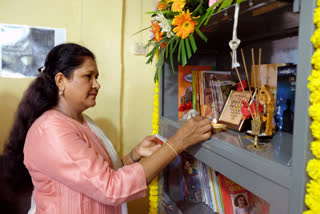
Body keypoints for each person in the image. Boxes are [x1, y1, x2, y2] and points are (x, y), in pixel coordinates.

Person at [3, 43, 213, 214]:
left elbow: (97, 174)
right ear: (61, 80)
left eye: (97, 77)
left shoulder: (82, 121)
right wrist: (179, 141)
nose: (97, 84)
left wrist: (134, 155)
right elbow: (112, 187)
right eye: (88, 76)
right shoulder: (51, 130)